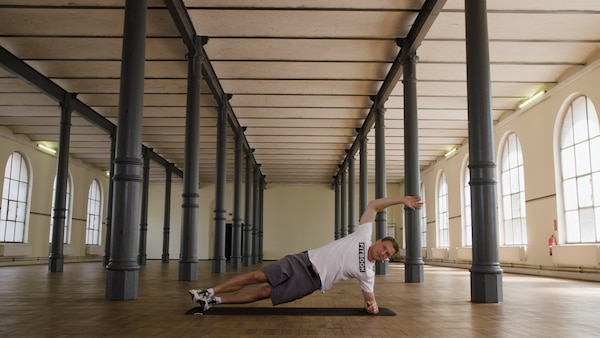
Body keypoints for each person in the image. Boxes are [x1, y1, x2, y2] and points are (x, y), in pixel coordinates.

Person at [189, 195, 423, 314]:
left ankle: (215, 301)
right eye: (384, 247)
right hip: (303, 260)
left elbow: (369, 300)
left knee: (264, 292)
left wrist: (373, 307)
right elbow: (373, 205)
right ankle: (208, 291)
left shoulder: (368, 273)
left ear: (387, 258)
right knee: (257, 277)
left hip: (311, 282)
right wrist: (401, 200)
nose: (383, 253)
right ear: (379, 241)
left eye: (387, 254)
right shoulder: (363, 235)